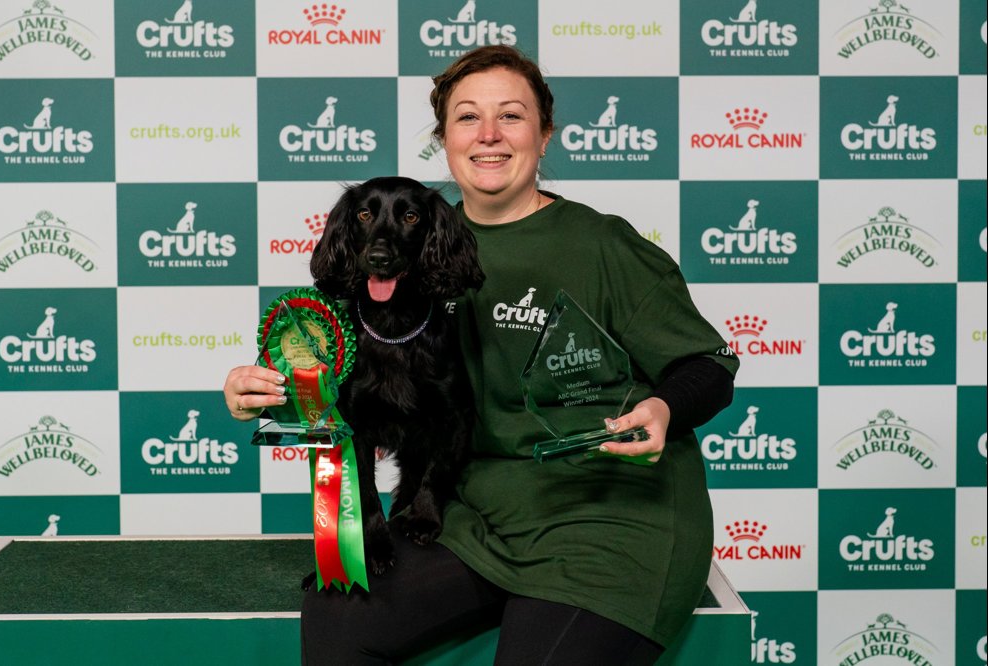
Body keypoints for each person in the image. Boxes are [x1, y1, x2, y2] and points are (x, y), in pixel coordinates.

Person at [223, 45, 739, 665]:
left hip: (607, 522)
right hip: (476, 518)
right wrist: (265, 394)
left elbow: (707, 367)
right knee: (337, 616)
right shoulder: (404, 251)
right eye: (468, 117)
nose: (488, 135)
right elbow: (343, 386)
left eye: (512, 116)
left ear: (546, 134)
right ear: (443, 138)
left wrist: (663, 407)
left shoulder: (601, 244)